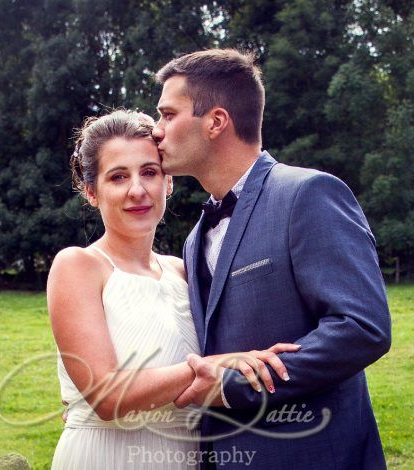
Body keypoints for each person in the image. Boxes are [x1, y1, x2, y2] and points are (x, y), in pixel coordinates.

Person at [152, 49, 392, 469]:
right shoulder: (195, 238)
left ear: (216, 121)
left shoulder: (308, 194)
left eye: (168, 115)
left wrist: (234, 386)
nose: (157, 131)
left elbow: (361, 327)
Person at [47, 110, 298, 469]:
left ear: (168, 182)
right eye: (118, 177)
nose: (138, 190)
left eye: (149, 172)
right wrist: (211, 366)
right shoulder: (78, 266)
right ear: (91, 191)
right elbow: (106, 396)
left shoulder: (184, 271)